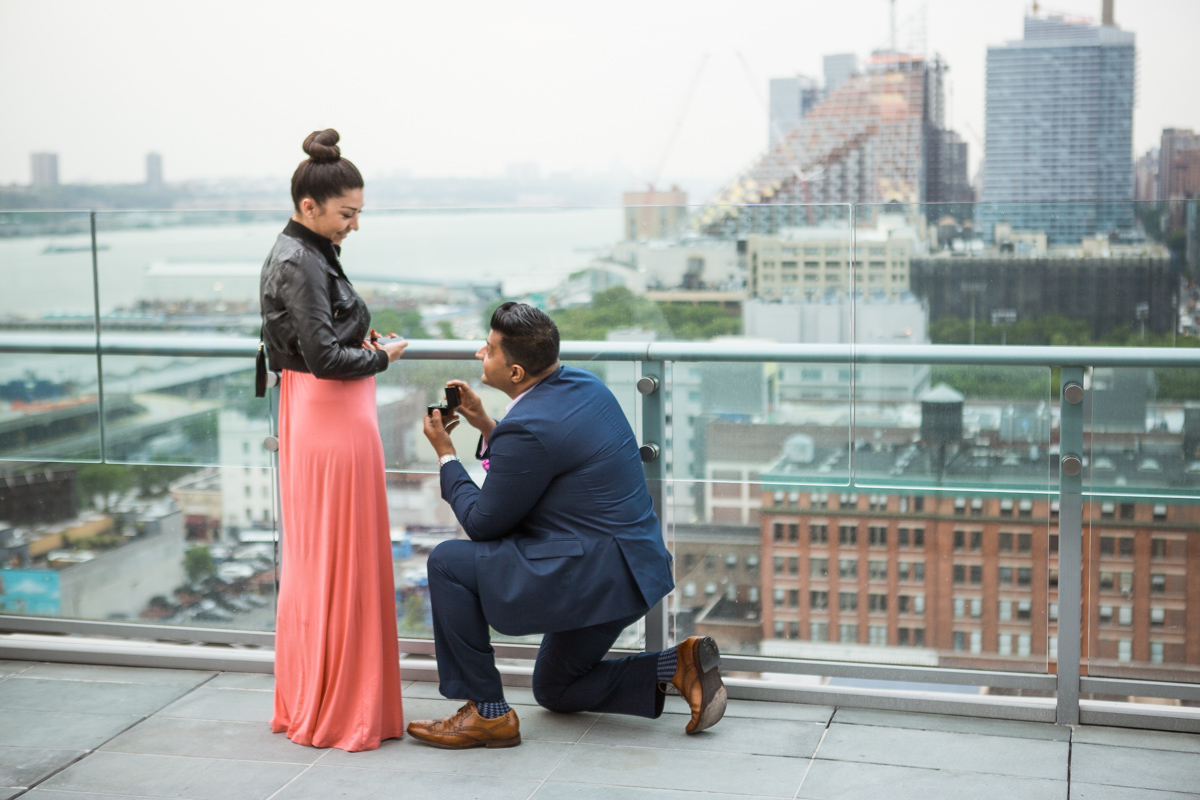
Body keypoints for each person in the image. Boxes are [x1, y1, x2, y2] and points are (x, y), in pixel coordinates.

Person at [407, 302, 726, 749]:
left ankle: (487, 712)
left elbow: (482, 523)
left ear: (516, 373)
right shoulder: (584, 386)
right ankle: (676, 664)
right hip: (634, 571)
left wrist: (445, 454)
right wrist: (484, 423)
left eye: (491, 348)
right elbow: (542, 452)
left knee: (447, 562)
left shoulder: (526, 427)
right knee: (555, 688)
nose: (481, 352)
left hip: (591, 574)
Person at [259, 129, 408, 752]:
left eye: (358, 213)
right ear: (309, 205)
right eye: (347, 213)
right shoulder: (302, 260)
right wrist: (383, 358)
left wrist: (363, 350)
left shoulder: (306, 251)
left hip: (321, 412)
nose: (353, 224)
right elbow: (323, 358)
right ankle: (340, 704)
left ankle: (322, 694)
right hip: (330, 413)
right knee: (339, 556)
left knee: (325, 557)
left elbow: (318, 347)